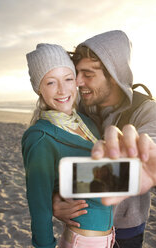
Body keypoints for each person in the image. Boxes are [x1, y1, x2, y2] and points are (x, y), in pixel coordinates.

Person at [52, 30, 156, 247]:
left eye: (88, 75)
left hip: (126, 226)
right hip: (83, 223)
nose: (78, 82)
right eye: (77, 73)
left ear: (114, 75)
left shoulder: (144, 109)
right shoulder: (76, 109)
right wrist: (55, 198)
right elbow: (56, 163)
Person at [22, 43, 116, 248]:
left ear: (76, 81)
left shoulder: (88, 123)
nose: (62, 90)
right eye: (51, 83)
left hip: (109, 239)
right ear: (39, 88)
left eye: (68, 79)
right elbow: (39, 206)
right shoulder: (40, 138)